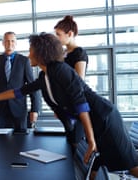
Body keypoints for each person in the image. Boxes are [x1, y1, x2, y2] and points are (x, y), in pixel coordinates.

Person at [0, 33, 138, 178]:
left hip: (105, 119)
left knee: (132, 167)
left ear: (41, 52)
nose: (28, 55)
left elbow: (81, 104)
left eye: (31, 50)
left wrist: (90, 139)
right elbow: (18, 92)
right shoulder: (44, 76)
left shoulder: (61, 70)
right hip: (91, 123)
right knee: (92, 166)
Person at [0, 31, 39, 132]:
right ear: (3, 43)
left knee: (21, 141)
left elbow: (32, 86)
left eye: (12, 41)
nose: (10, 44)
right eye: (7, 41)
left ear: (16, 43)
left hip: (18, 109)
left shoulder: (24, 61)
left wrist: (34, 109)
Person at [54, 15, 89, 146]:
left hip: (77, 103)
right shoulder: (62, 54)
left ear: (70, 34)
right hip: (66, 104)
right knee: (69, 141)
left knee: (76, 142)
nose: (56, 38)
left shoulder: (79, 53)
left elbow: (78, 81)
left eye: (58, 34)